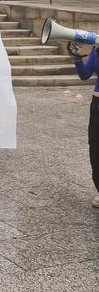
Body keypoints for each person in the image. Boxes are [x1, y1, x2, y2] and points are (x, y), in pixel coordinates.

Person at [68, 41, 99, 208]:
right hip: (97, 105)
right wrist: (77, 58)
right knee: (95, 148)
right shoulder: (96, 50)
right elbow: (85, 75)